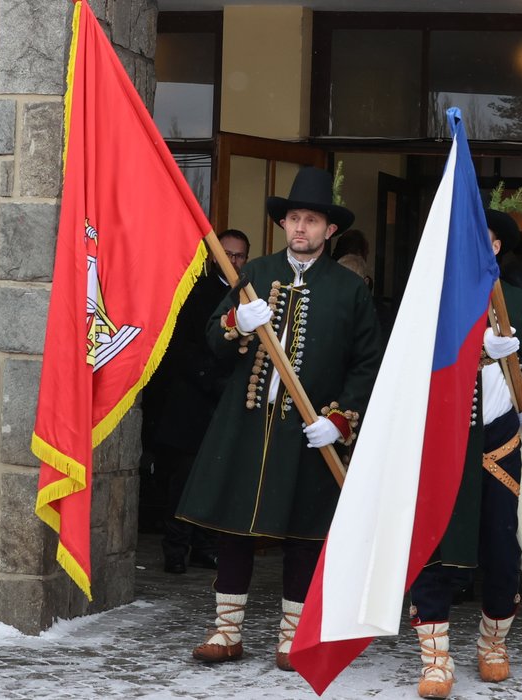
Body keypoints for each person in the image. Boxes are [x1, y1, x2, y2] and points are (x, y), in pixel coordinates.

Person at [176, 167, 382, 671]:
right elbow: (210, 339)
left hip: (307, 429)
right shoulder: (254, 274)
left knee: (304, 532)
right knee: (234, 528)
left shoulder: (348, 290)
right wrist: (233, 323)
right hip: (246, 423)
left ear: (329, 230)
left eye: (311, 220)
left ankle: (293, 637)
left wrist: (340, 420)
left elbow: (368, 363)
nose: (300, 228)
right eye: (293, 218)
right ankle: (227, 631)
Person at [408, 209, 522, 699]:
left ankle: (493, 645)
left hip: (502, 444)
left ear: (497, 247)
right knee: (433, 550)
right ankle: (435, 659)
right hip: (441, 444)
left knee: (502, 551)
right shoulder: (428, 305)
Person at [147, 229, 250, 575]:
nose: (233, 261)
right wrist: (210, 379)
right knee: (183, 479)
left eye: (239, 256)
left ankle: (205, 546)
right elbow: (180, 346)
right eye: (228, 254)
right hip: (192, 400)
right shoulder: (194, 290)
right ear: (213, 254)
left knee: (216, 478)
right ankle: (175, 549)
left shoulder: (248, 296)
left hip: (226, 401)